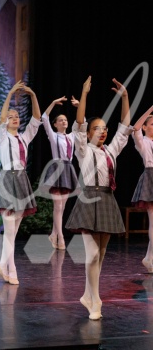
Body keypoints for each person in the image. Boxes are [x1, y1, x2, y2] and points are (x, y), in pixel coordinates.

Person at [65, 75, 131, 320]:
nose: (102, 132)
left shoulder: (110, 151)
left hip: (107, 200)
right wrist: (84, 94)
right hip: (89, 200)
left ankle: (87, 295)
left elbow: (124, 128)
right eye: (97, 128)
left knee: (100, 255)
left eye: (104, 129)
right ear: (89, 132)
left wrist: (125, 97)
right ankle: (96, 300)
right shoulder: (83, 149)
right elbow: (79, 123)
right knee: (92, 255)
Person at [0, 80, 42, 286]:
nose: (14, 118)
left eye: (16, 116)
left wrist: (33, 95)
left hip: (21, 180)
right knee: (9, 229)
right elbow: (1, 118)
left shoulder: (24, 138)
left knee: (14, 230)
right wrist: (10, 93)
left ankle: (5, 266)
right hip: (7, 179)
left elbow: (36, 119)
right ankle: (10, 268)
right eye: (11, 117)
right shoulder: (2, 136)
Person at [39, 96, 80, 250]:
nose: (64, 122)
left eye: (65, 120)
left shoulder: (71, 136)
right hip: (57, 168)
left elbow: (80, 122)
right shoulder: (53, 135)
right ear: (55, 124)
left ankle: (53, 234)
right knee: (58, 205)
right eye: (60, 120)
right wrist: (53, 103)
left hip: (68, 169)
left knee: (62, 206)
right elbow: (44, 117)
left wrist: (79, 107)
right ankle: (60, 237)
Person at [131, 104, 153, 273]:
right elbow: (136, 128)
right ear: (145, 127)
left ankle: (148, 257)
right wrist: (150, 109)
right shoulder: (143, 142)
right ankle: (149, 257)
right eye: (152, 124)